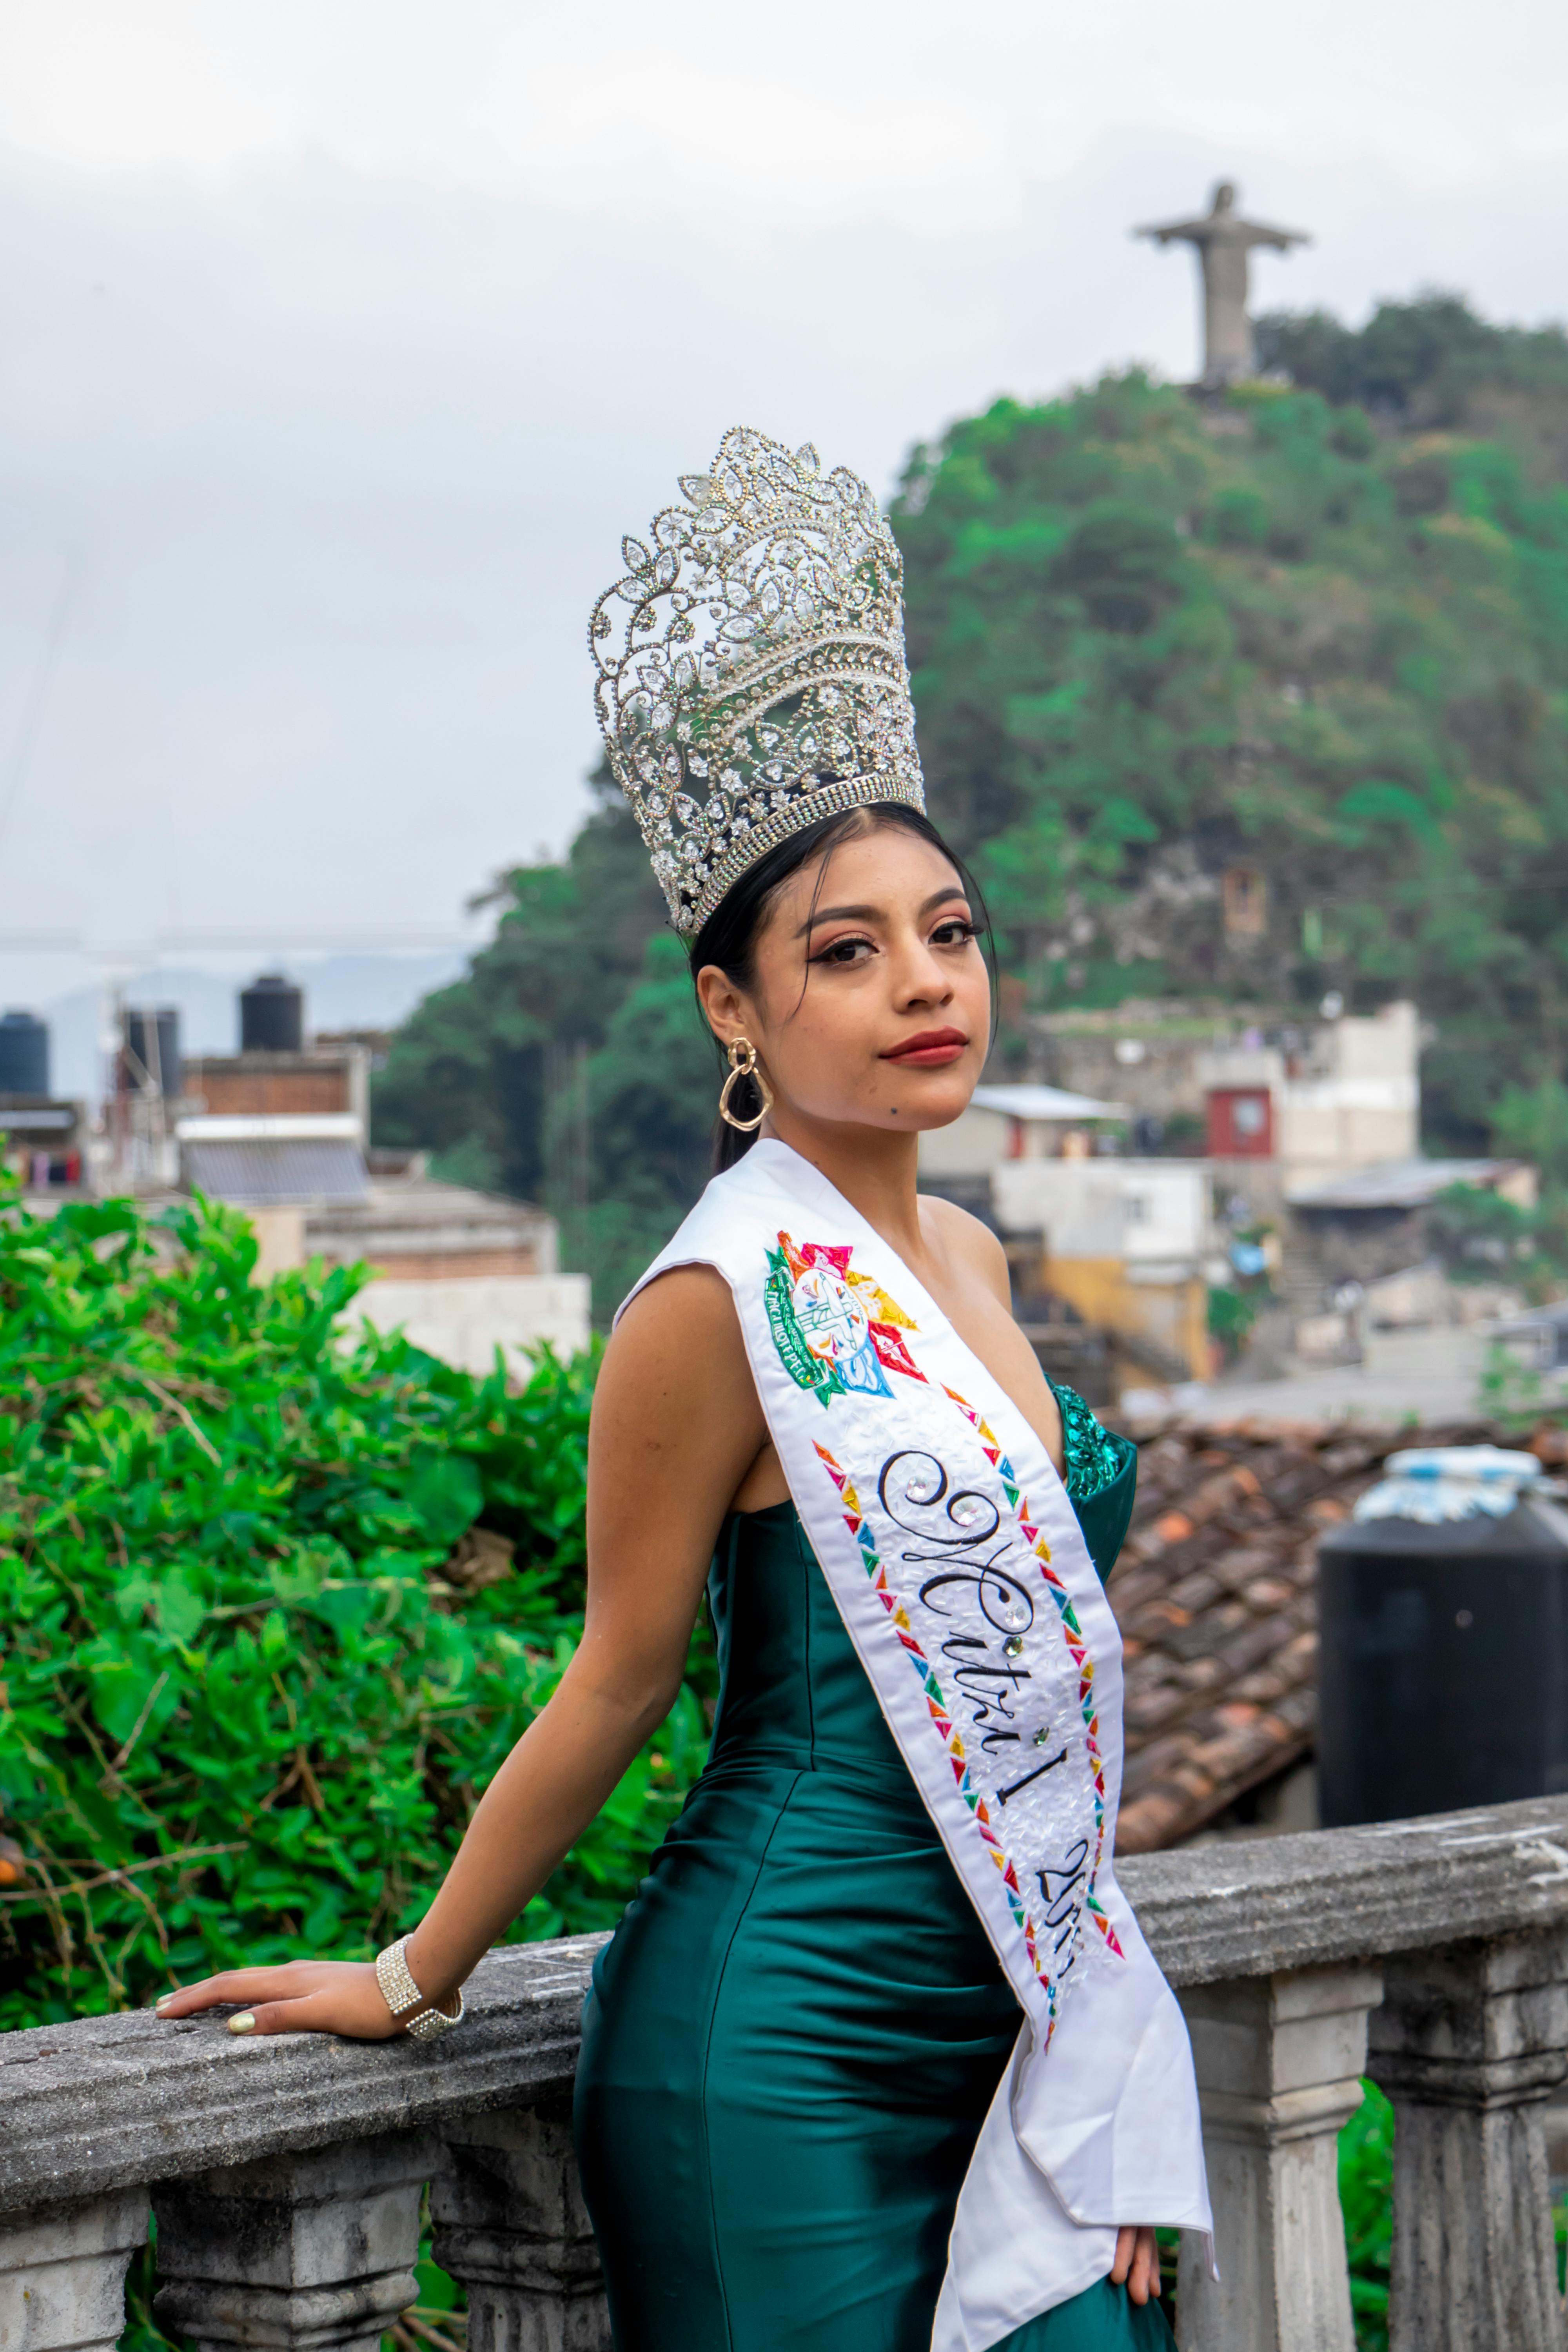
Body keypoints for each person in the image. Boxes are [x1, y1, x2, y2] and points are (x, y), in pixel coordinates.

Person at [156, 429, 1211, 2350]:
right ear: (734, 1009)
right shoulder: (719, 1301)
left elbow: (1033, 1694)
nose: (924, 983)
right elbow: (620, 1676)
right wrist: (414, 1976)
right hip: (779, 2046)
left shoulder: (971, 1260)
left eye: (949, 935)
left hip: (1013, 2037)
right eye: (847, 950)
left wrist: (1097, 2074)